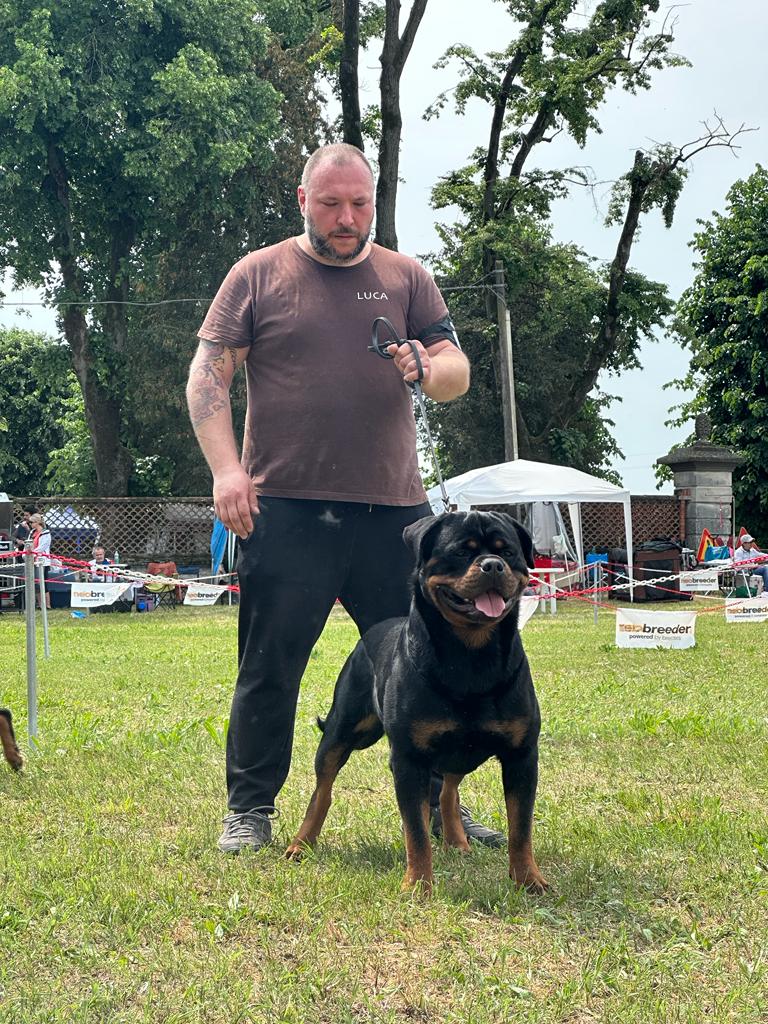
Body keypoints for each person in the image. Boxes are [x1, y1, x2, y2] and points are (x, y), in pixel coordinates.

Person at [187, 143, 506, 854]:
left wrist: (428, 364)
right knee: (270, 665)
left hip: (396, 517)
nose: (346, 217)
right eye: (330, 203)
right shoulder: (258, 275)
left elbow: (456, 371)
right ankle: (251, 811)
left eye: (359, 203)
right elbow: (206, 377)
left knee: (430, 666)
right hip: (286, 506)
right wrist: (226, 471)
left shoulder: (405, 276)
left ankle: (437, 806)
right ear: (303, 200)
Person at [28, 513, 52, 609]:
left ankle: (47, 605)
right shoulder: (31, 533)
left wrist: (32, 552)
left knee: (43, 583)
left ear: (37, 522)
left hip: (42, 561)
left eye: (31, 522)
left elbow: (42, 547)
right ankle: (40, 604)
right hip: (32, 560)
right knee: (37, 584)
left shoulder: (46, 533)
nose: (30, 524)